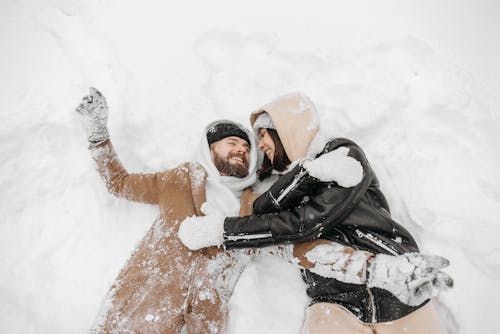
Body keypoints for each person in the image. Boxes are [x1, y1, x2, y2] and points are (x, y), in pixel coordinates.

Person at [179, 92, 453, 333]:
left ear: (286, 128)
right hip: (334, 302)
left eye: (263, 135)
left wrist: (222, 230)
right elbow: (277, 227)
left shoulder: (343, 154)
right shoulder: (286, 187)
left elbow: (306, 222)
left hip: (399, 289)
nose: (259, 145)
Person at [75, 87, 262, 333]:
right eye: (232, 143)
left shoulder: (253, 206)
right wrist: (99, 136)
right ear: (210, 148)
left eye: (247, 148)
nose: (242, 150)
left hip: (204, 322)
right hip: (143, 309)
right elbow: (119, 183)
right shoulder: (179, 180)